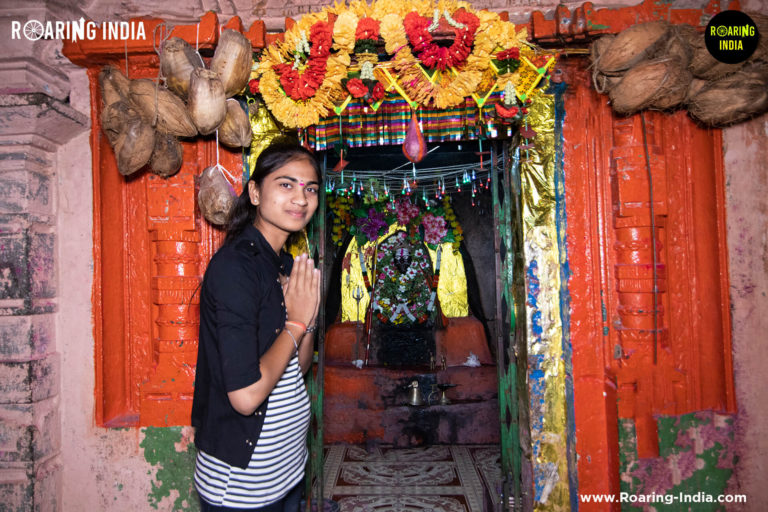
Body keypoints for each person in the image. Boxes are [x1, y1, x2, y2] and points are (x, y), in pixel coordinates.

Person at [192, 138, 321, 511]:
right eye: (286, 184)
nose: (301, 198)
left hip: (286, 470)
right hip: (243, 486)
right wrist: (296, 321)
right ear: (254, 192)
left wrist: (307, 320)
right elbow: (246, 398)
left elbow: (297, 366)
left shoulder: (281, 264)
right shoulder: (236, 268)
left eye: (309, 188)